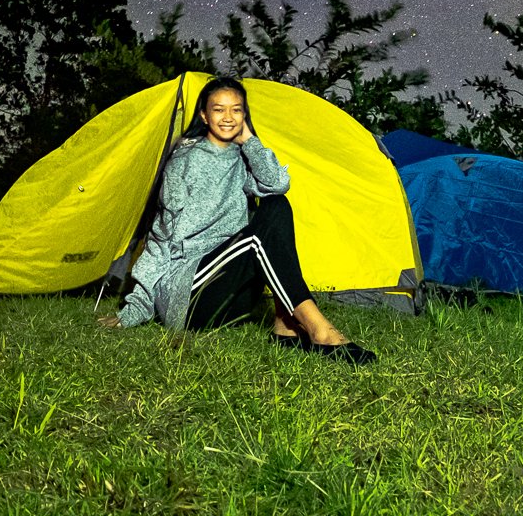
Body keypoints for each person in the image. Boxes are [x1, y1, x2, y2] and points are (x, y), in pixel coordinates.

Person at [98, 76, 377, 364]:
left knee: (276, 204)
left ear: (244, 115)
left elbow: (278, 183)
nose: (228, 117)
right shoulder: (184, 161)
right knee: (256, 239)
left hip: (230, 294)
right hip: (187, 296)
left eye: (236, 109)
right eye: (219, 109)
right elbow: (161, 239)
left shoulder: (242, 159)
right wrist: (135, 309)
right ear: (205, 115)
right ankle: (318, 329)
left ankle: (285, 326)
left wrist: (249, 141)